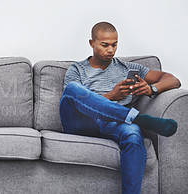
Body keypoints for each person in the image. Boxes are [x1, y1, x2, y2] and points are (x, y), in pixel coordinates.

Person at [60, 22, 181, 194]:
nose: (110, 50)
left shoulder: (129, 68)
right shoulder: (77, 69)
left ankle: (134, 120)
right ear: (91, 43)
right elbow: (74, 102)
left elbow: (173, 80)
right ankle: (138, 118)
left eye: (114, 45)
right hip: (83, 122)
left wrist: (151, 88)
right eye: (105, 45)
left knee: (133, 134)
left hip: (115, 122)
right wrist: (111, 95)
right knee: (72, 89)